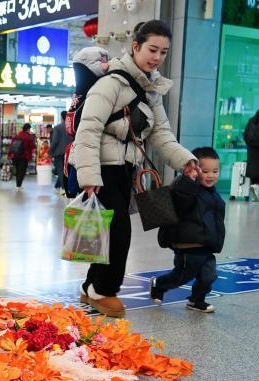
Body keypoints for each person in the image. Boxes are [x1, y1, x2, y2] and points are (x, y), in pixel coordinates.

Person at [68, 19, 197, 318]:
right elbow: (88, 130)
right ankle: (103, 290)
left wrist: (185, 160)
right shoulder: (111, 83)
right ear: (135, 46)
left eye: (164, 52)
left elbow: (161, 134)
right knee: (118, 230)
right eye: (152, 49)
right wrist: (89, 177)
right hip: (101, 168)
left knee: (107, 230)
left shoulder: (151, 90)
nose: (157, 57)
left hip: (125, 168)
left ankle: (90, 286)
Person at [151, 147, 225, 313]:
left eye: (215, 171)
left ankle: (196, 300)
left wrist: (217, 241)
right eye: (205, 171)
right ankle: (159, 284)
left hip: (206, 245)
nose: (211, 175)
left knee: (209, 276)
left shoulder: (213, 193)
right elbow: (181, 201)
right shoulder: (185, 187)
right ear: (194, 169)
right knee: (181, 276)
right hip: (187, 246)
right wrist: (188, 180)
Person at [50, 111, 72, 193]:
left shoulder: (57, 127)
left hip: (59, 152)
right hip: (69, 151)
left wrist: (50, 151)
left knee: (60, 170)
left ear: (61, 117)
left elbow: (55, 141)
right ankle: (57, 186)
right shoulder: (71, 127)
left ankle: (63, 188)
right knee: (66, 170)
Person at [9, 123, 36, 189]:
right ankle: (18, 185)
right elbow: (32, 146)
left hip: (15, 155)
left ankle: (18, 184)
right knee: (22, 171)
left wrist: (10, 154)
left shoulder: (17, 135)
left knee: (18, 170)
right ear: (28, 129)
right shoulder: (28, 136)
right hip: (24, 156)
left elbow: (12, 145)